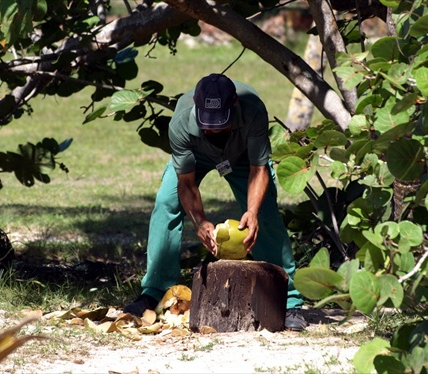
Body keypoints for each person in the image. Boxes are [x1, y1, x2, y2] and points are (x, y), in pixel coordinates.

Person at [124, 73, 307, 331]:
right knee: (166, 202)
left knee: (264, 213)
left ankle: (288, 299)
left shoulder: (253, 109)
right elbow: (186, 183)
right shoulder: (181, 123)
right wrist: (200, 221)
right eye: (206, 123)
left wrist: (252, 211)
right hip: (197, 155)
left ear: (233, 105)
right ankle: (154, 293)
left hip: (243, 156)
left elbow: (259, 168)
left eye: (219, 122)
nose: (212, 129)